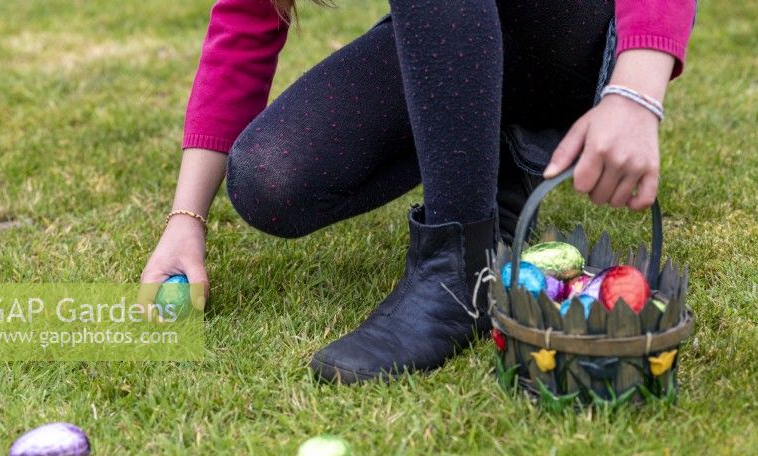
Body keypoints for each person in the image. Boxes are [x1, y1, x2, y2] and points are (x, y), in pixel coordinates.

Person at [141, 0, 696, 383]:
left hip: (573, 28)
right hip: (462, 26)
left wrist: (635, 91)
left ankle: (458, 271)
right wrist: (185, 218)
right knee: (271, 178)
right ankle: (495, 166)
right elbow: (244, 24)